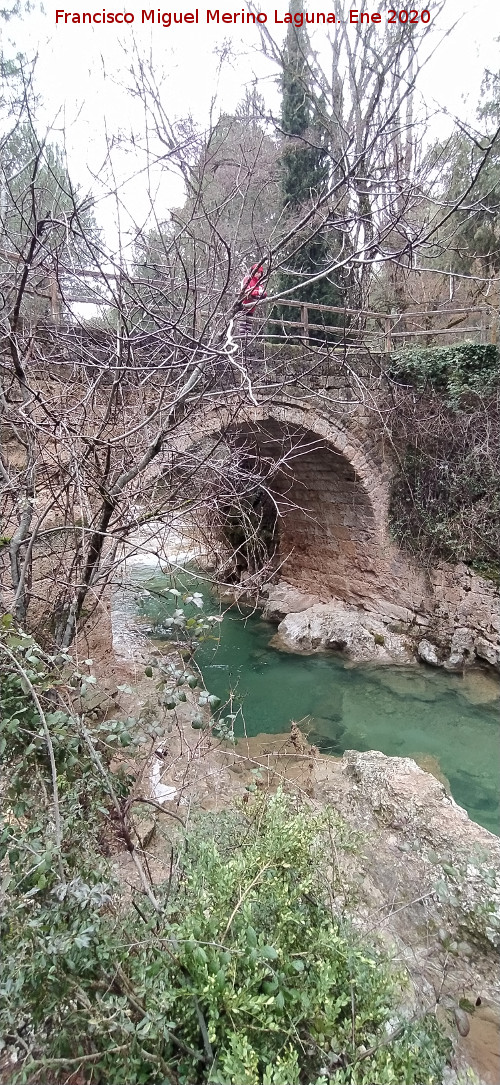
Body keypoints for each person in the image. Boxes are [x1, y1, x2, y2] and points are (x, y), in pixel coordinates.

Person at [236, 262, 267, 337]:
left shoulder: (259, 283)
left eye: (260, 273)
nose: (258, 274)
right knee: (242, 330)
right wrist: (257, 292)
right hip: (243, 307)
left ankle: (247, 343)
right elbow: (246, 291)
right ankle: (241, 342)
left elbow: (264, 293)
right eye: (257, 272)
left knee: (248, 330)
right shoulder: (247, 279)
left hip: (251, 309)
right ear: (253, 271)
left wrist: (261, 294)